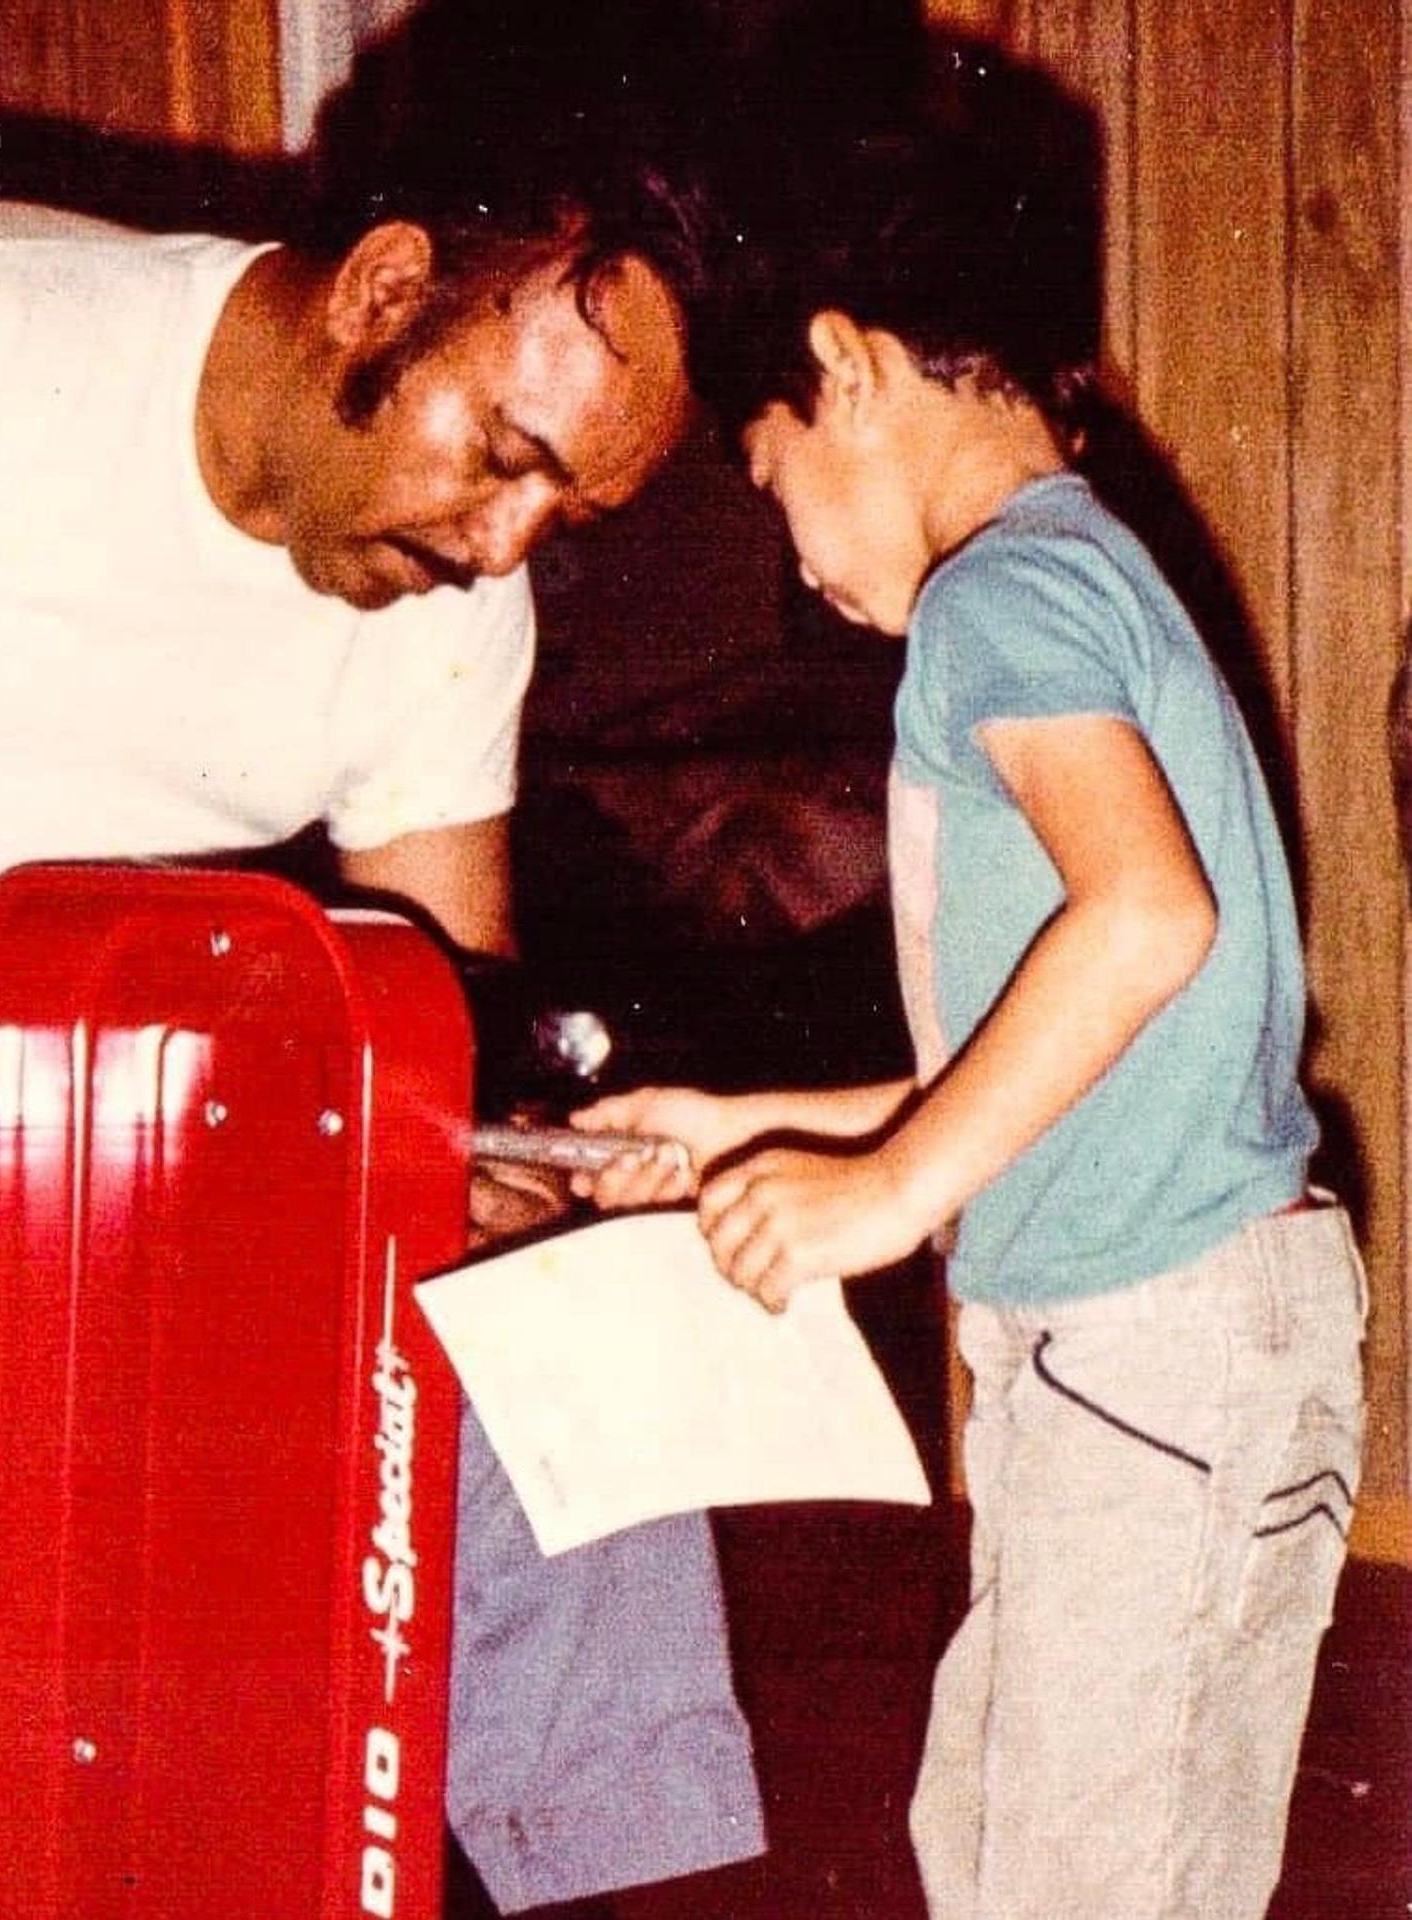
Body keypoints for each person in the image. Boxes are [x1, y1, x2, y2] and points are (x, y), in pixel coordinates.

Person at [0, 125, 770, 1920]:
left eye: (564, 512)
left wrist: (481, 1176)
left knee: (548, 1329)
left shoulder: (442, 598)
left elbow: (428, 993)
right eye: (503, 460)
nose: (505, 547)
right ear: (385, 293)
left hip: (122, 1136)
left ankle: (623, 1892)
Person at [574, 128, 1368, 1920]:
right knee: (1026, 1852)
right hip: (1168, 1341)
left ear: (848, 369)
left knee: (1066, 1878)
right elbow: (1070, 1042)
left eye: (773, 484)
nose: (800, 563)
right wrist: (790, 1135)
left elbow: (1149, 916)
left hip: (1145, 1350)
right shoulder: (1075, 577)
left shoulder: (997, 598)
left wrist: (883, 1194)